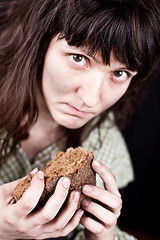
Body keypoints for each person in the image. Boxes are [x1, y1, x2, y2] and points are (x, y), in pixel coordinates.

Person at [0, 0, 160, 239]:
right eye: (78, 58)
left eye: (119, 73)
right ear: (39, 41)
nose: (92, 99)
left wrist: (101, 235)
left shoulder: (104, 144)